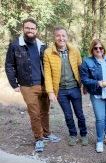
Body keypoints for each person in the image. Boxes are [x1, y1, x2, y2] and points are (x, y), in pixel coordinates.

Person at [5, 18, 60, 152]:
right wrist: (14, 84)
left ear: (36, 30)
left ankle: (46, 134)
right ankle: (39, 138)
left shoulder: (42, 46)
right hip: (27, 86)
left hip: (43, 85)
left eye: (32, 28)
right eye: (27, 28)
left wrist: (51, 84)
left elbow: (49, 65)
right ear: (23, 29)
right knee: (34, 113)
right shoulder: (15, 45)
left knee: (45, 111)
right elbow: (9, 65)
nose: (30, 30)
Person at [44, 26, 88, 146]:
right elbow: (47, 74)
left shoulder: (75, 50)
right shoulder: (48, 52)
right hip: (61, 91)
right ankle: (73, 134)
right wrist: (50, 91)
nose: (61, 38)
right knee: (68, 115)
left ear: (67, 37)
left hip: (74, 88)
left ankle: (83, 134)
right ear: (55, 37)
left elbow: (81, 69)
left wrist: (84, 85)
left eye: (63, 35)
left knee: (79, 113)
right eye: (58, 35)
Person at [80, 39, 106, 152]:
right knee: (100, 118)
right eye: (96, 48)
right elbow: (84, 79)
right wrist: (98, 83)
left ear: (103, 49)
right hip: (97, 93)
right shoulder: (87, 62)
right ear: (92, 49)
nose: (98, 50)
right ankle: (100, 141)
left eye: (100, 48)